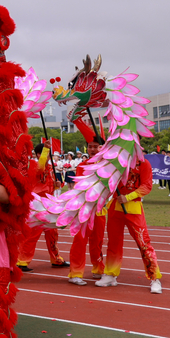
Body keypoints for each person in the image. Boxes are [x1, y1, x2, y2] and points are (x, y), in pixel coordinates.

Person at [95, 156, 162, 294]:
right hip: (115, 206)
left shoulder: (144, 164)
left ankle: (154, 278)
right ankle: (111, 274)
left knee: (143, 242)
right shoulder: (117, 162)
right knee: (113, 242)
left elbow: (147, 186)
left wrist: (128, 197)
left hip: (133, 207)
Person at [17, 143, 66, 272]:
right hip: (38, 205)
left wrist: (57, 185)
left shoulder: (51, 168)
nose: (49, 156)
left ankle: (56, 258)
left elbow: (50, 185)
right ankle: (22, 261)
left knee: (52, 233)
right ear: (39, 154)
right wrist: (46, 150)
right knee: (33, 234)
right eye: (46, 153)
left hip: (49, 204)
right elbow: (39, 169)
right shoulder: (34, 166)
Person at [67, 120, 106, 285]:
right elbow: (78, 187)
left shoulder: (107, 165)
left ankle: (98, 269)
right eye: (90, 146)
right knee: (80, 240)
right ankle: (75, 273)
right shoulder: (82, 166)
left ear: (102, 148)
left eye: (96, 146)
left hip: (100, 209)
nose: (92, 149)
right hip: (84, 208)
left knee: (97, 240)